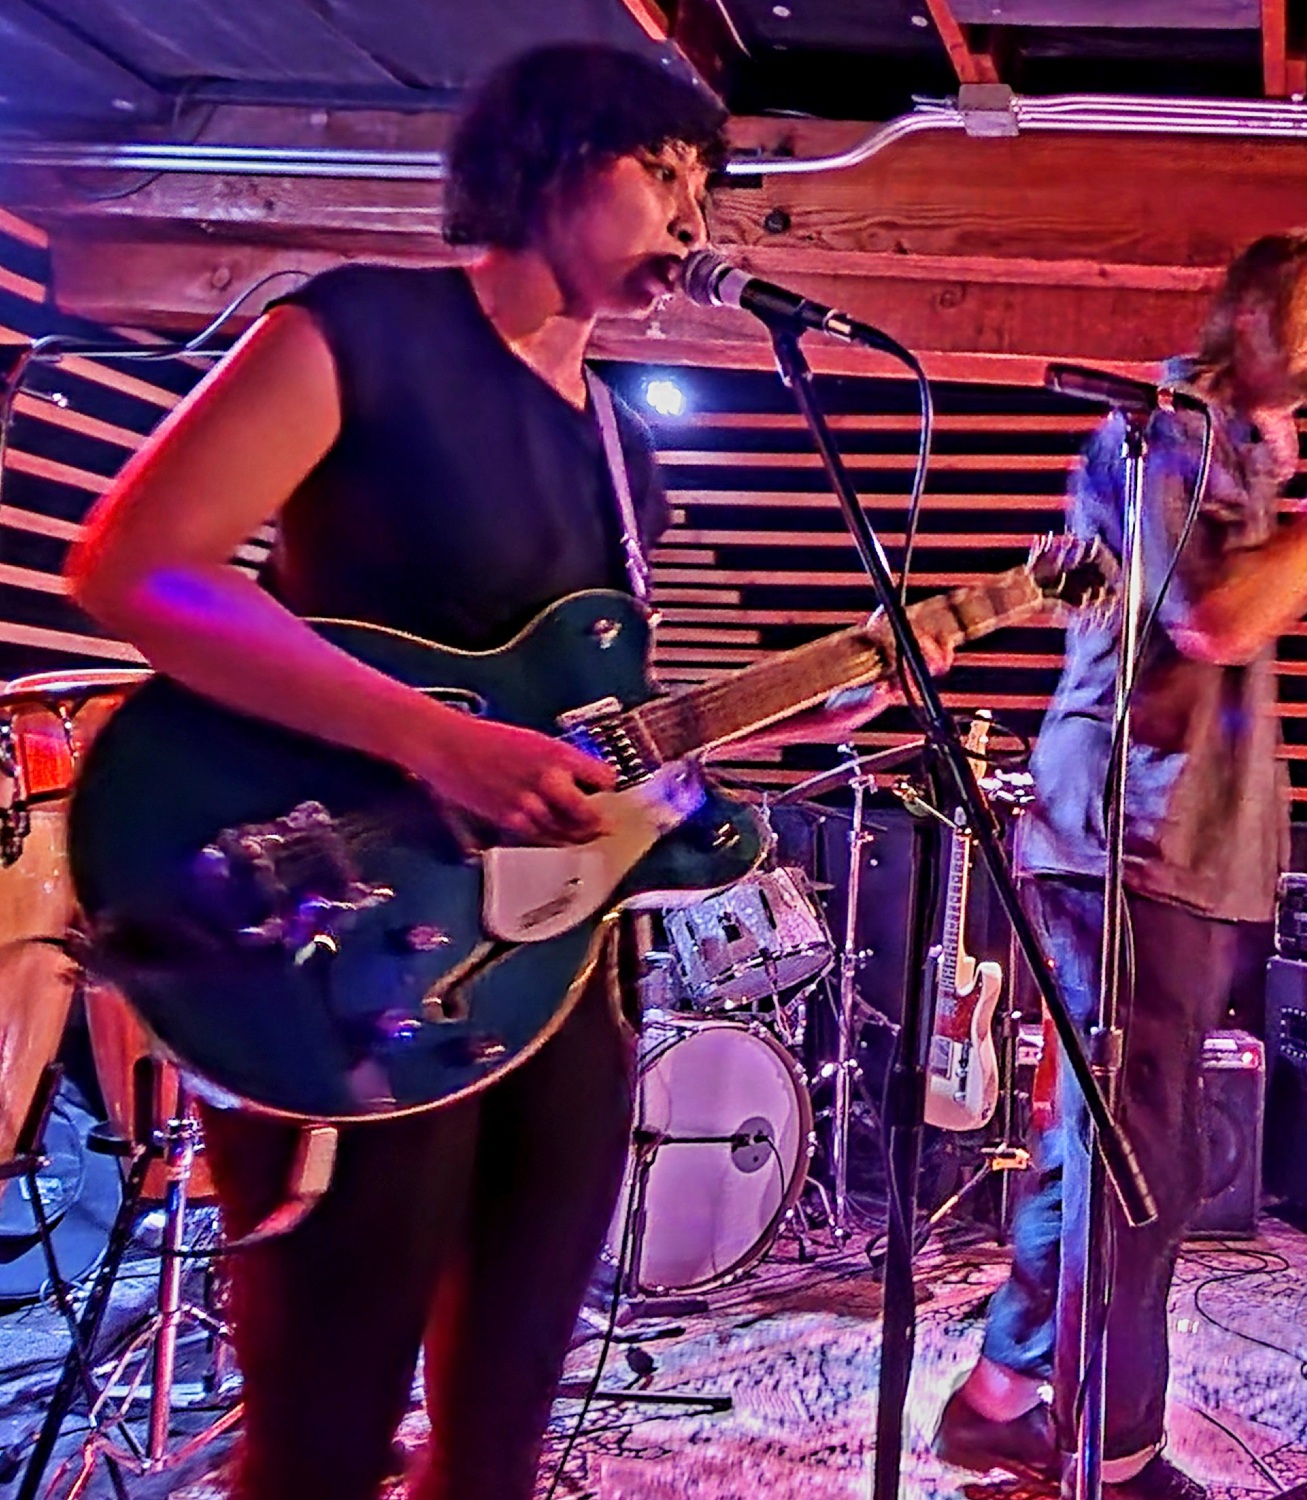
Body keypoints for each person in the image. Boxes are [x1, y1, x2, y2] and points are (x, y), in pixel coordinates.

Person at [66, 44, 941, 1500]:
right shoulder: (363, 330)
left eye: (707, 186)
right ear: (548, 161)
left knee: (502, 1436)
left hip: (550, 969)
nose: (694, 219)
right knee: (323, 1437)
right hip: (337, 926)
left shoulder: (622, 450)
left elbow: (587, 729)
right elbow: (136, 568)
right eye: (662, 171)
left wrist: (786, 721)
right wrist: (437, 741)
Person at [934, 229, 1307, 1500]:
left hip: (1194, 848)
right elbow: (1214, 621)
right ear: (1252, 314)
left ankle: (996, 1402)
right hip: (1127, 842)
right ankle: (1112, 1457)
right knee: (1141, 1171)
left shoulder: (1251, 454)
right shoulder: (1159, 433)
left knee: (1101, 1148)